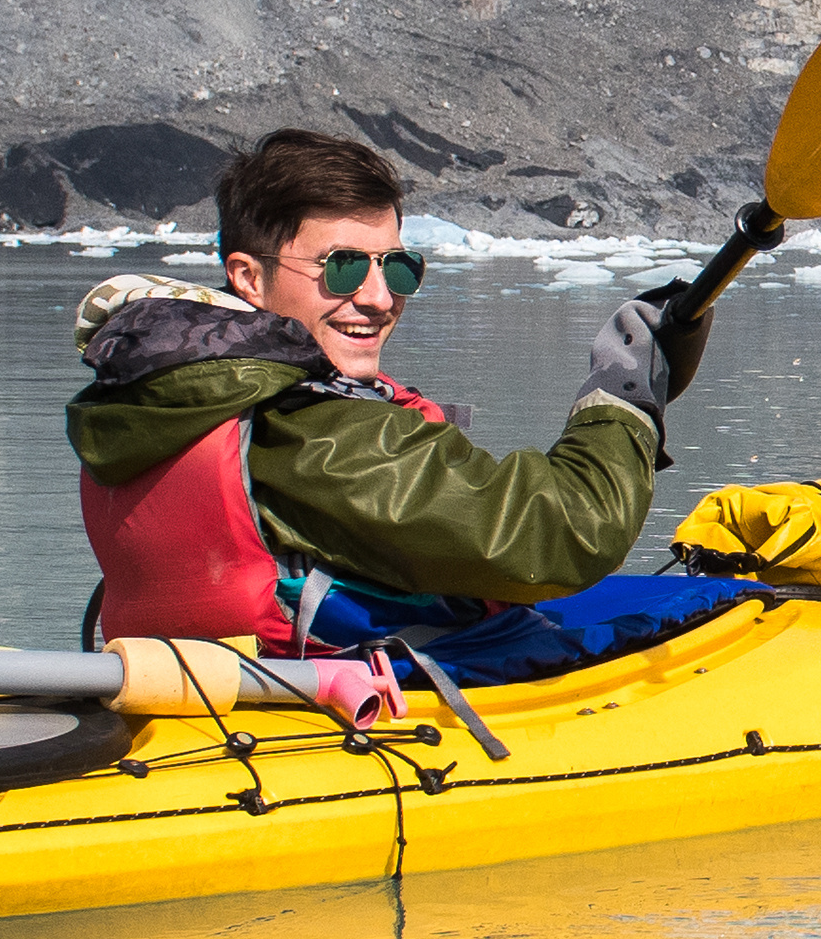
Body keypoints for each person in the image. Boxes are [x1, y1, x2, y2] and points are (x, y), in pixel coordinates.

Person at [69, 125, 689, 639]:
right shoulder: (308, 429)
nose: (376, 297)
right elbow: (559, 534)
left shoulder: (166, 391)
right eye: (340, 267)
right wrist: (622, 395)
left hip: (228, 689)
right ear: (249, 278)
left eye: (396, 266)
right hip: (330, 711)